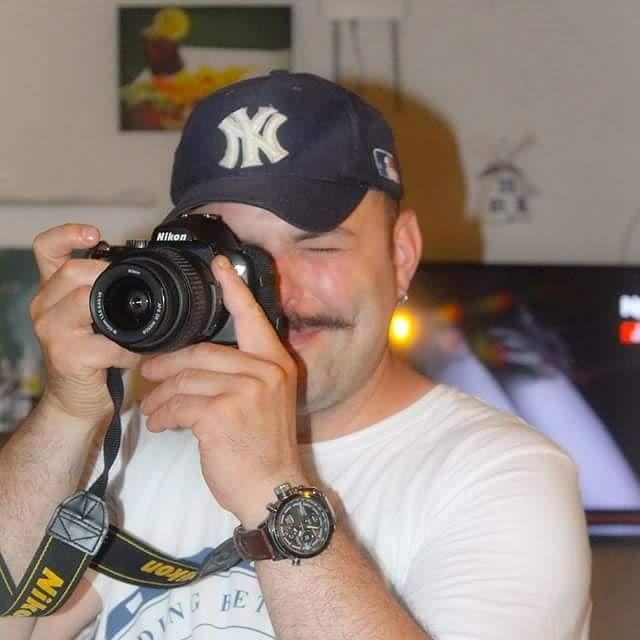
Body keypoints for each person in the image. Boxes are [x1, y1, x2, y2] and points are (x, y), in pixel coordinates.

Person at [0, 71, 591, 639]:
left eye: (320, 247)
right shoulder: (137, 445)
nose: (275, 292)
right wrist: (68, 411)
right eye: (237, 257)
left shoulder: (502, 477)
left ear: (402, 255)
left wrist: (273, 491)